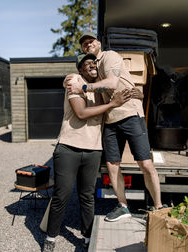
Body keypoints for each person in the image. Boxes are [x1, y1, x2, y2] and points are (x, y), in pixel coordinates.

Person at [66, 31, 163, 222]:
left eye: (90, 41)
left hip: (129, 115)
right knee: (112, 164)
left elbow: (111, 82)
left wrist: (83, 88)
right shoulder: (93, 68)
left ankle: (159, 207)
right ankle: (123, 206)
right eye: (84, 44)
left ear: (99, 43)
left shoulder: (109, 56)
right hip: (110, 120)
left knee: (145, 163)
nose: (87, 45)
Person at [43, 53, 131, 252]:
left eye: (94, 62)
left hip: (93, 150)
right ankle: (51, 237)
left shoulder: (101, 86)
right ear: (80, 69)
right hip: (69, 147)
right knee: (62, 194)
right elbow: (81, 114)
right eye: (86, 63)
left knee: (87, 196)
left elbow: (122, 86)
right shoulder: (74, 80)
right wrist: (111, 104)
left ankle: (87, 236)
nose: (91, 65)